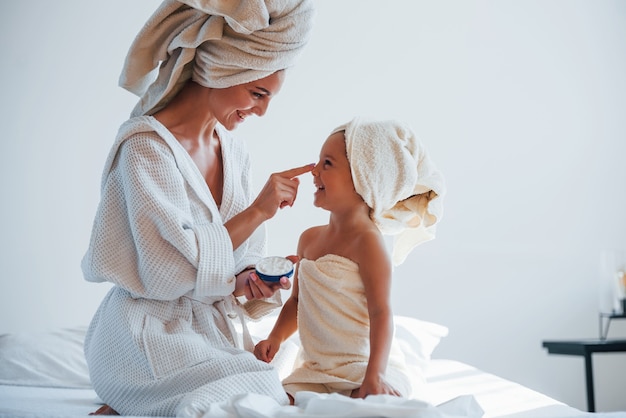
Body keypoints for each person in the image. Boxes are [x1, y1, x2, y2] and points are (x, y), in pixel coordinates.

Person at [81, 0, 314, 416]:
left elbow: (227, 264)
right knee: (252, 394)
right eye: (257, 93)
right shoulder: (144, 148)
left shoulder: (234, 152)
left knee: (265, 389)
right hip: (145, 333)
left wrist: (250, 280)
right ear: (224, 69)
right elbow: (167, 271)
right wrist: (259, 210)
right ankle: (129, 400)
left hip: (210, 331)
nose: (261, 110)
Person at [254, 117, 445, 403]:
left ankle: (375, 384)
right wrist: (275, 339)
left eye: (327, 164)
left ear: (363, 177)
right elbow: (297, 302)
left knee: (365, 405)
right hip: (317, 370)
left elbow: (381, 312)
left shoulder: (368, 242)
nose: (315, 171)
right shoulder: (308, 239)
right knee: (278, 401)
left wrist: (374, 375)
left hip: (364, 367)